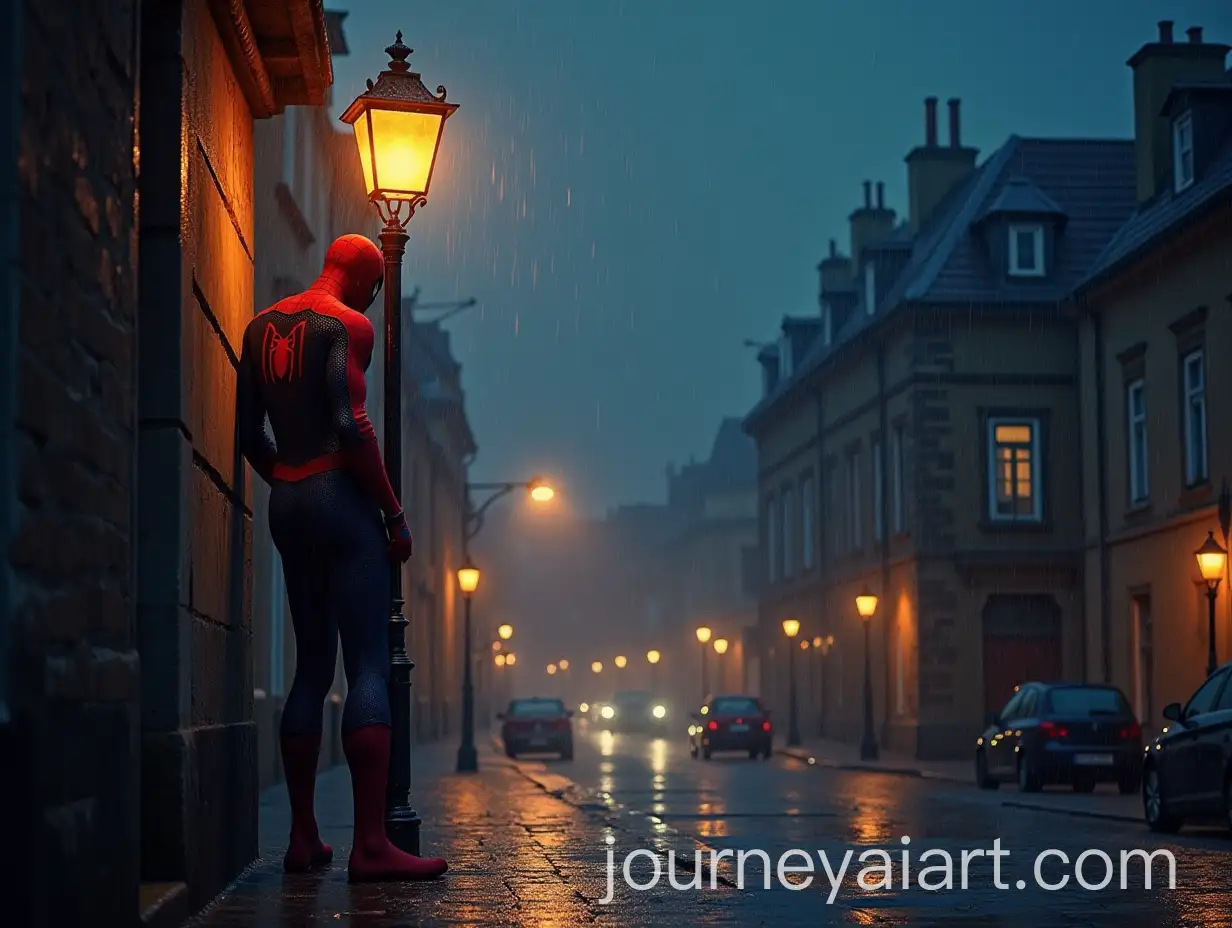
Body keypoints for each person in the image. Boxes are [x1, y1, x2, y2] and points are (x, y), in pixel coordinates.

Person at [236, 233, 448, 882]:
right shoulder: (347, 325)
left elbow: (250, 435)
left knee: (307, 669)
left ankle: (303, 838)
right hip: (341, 500)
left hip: (288, 498)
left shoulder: (256, 328)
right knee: (367, 669)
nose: (375, 298)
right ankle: (372, 845)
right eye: (376, 287)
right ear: (362, 279)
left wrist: (292, 481)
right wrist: (394, 512)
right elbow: (351, 423)